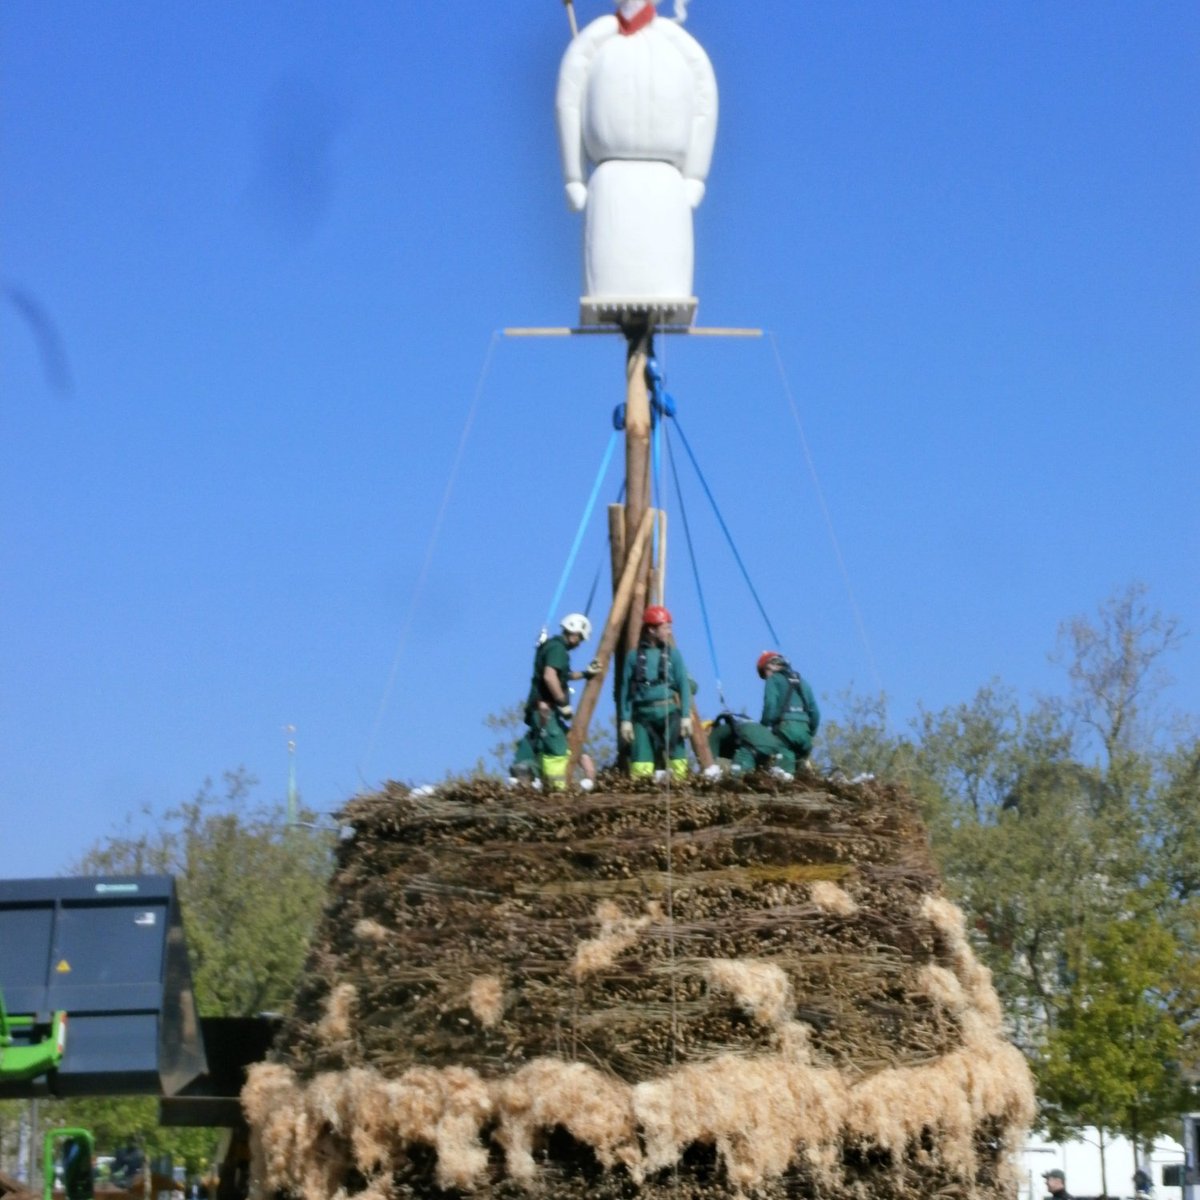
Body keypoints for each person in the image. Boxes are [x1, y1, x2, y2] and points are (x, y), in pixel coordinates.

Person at [511, 614, 599, 790]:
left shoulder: (553, 647)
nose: (579, 643)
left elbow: (563, 676)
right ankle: (556, 789)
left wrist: (585, 673)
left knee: (566, 741)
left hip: (544, 711)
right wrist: (562, 702)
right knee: (557, 750)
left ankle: (529, 775)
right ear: (574, 633)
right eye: (580, 638)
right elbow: (550, 677)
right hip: (546, 709)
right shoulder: (557, 649)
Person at [714, 652, 819, 781]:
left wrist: (764, 729)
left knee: (777, 773)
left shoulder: (773, 680)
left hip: (785, 733)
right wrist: (809, 734)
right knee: (790, 770)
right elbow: (815, 714)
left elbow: (770, 706)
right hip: (805, 737)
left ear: (769, 667)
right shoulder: (803, 683)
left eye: (764, 674)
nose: (766, 677)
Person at [618, 605, 692, 781]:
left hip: (668, 712)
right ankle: (641, 792)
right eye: (665, 627)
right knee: (641, 761)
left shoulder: (674, 655)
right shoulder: (633, 657)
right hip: (642, 716)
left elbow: (683, 685)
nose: (669, 632)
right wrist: (625, 720)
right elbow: (625, 690)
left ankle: (679, 787)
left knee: (678, 756)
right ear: (652, 629)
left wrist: (685, 716)